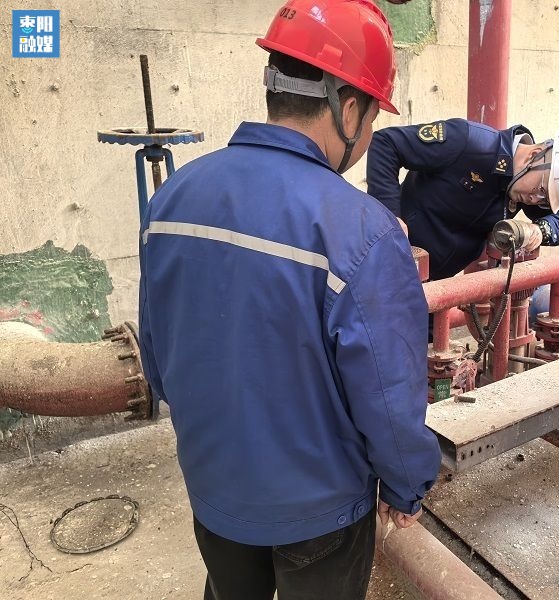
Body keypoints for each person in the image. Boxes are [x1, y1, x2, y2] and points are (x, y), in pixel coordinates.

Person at [137, 2, 441, 599]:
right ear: (348, 108)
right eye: (372, 117)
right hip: (320, 511)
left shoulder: (172, 198)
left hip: (214, 489)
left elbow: (158, 357)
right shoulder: (363, 231)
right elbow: (389, 399)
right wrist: (407, 486)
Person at [366, 119, 559, 281]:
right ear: (534, 155)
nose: (535, 199)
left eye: (544, 200)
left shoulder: (527, 190)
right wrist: (389, 218)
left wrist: (539, 230)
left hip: (436, 287)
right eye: (541, 189)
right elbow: (386, 143)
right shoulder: (469, 142)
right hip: (385, 265)